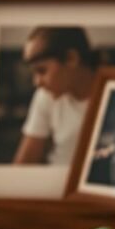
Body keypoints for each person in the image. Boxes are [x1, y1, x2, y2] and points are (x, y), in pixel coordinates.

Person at [12, 26, 97, 165]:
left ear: (71, 58)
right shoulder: (45, 95)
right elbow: (23, 164)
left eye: (42, 70)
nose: (37, 82)